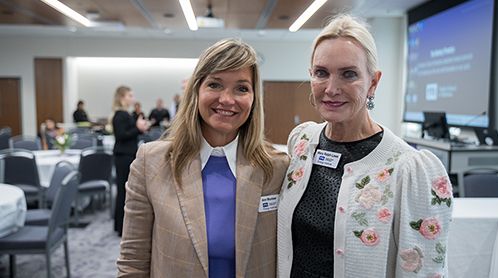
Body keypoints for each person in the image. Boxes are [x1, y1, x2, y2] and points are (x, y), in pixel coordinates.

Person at [277, 14, 453, 278]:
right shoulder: (302, 143)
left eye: (349, 74)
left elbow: (425, 270)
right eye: (322, 73)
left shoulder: (408, 168)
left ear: (373, 82)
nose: (332, 88)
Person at [117, 38, 289, 277]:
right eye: (215, 85)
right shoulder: (152, 162)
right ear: (196, 91)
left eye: (241, 88)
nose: (227, 99)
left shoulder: (277, 168)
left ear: (253, 98)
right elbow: (133, 262)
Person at [111, 86, 148, 236]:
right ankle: (120, 227)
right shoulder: (119, 115)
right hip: (123, 156)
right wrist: (138, 129)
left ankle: (120, 225)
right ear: (122, 97)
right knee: (123, 191)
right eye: (129, 96)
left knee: (125, 191)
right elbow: (122, 135)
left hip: (127, 154)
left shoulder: (126, 114)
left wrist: (139, 127)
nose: (132, 99)